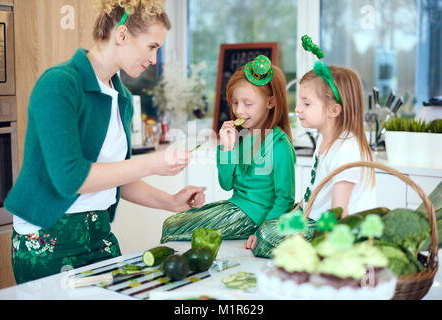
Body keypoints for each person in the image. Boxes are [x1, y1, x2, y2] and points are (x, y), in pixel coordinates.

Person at [5, 0, 205, 284]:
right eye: (152, 46)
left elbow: (116, 176)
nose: (154, 59)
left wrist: (171, 202)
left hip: (99, 234)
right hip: (48, 237)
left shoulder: (121, 97)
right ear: (122, 35)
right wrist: (151, 163)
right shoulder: (60, 84)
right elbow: (72, 179)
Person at [250, 36, 376, 258]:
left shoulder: (346, 149)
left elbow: (339, 213)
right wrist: (281, 221)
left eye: (306, 103)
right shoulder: (324, 138)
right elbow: (313, 194)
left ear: (333, 110)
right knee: (264, 233)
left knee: (268, 238)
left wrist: (329, 255)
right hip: (314, 219)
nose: (298, 109)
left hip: (337, 232)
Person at [160, 55, 297, 249]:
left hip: (253, 218)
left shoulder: (280, 145)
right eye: (235, 103)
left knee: (172, 227)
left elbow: (285, 199)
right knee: (171, 223)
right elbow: (226, 184)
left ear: (270, 103)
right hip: (235, 206)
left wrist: (264, 232)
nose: (239, 111)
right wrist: (226, 148)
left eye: (248, 104)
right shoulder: (241, 137)